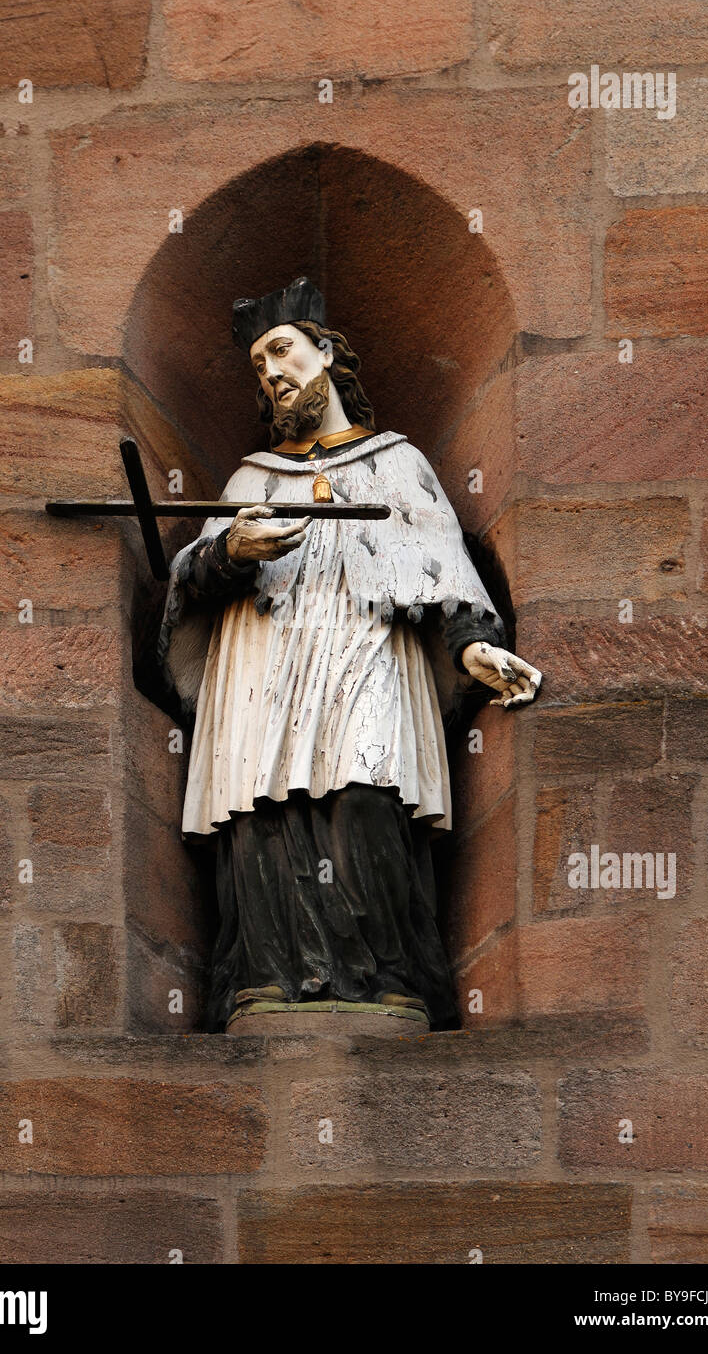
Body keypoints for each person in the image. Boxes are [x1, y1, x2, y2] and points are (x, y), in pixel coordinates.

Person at [159, 277, 541, 1029]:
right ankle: (267, 982)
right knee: (261, 812)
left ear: (325, 352)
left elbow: (443, 571)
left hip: (368, 657)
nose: (269, 371)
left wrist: (472, 651)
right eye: (258, 365)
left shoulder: (398, 464)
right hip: (261, 673)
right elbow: (186, 584)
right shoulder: (252, 477)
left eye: (280, 350)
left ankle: (384, 980)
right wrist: (232, 547)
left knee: (366, 800)